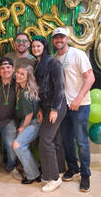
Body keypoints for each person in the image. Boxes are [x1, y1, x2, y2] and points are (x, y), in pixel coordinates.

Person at [52, 27, 95, 192]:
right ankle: (73, 167)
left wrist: (78, 98)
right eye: (56, 38)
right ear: (53, 41)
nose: (59, 40)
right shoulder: (55, 58)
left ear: (67, 38)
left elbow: (90, 77)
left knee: (82, 141)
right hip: (64, 107)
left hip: (80, 104)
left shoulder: (78, 54)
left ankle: (85, 174)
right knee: (66, 140)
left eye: (61, 37)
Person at [31, 35, 67, 192]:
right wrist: (40, 108)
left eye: (38, 46)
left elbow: (59, 87)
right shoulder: (36, 64)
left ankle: (53, 178)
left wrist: (54, 109)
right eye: (33, 47)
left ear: (44, 47)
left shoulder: (53, 62)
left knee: (45, 140)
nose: (35, 49)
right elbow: (39, 89)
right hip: (45, 107)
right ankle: (59, 169)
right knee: (55, 139)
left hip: (56, 107)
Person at [13, 64, 41, 184]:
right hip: (32, 122)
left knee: (17, 145)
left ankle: (31, 175)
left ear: (28, 77)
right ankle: (36, 171)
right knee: (21, 146)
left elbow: (29, 115)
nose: (18, 76)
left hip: (33, 123)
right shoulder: (22, 88)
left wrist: (23, 127)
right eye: (18, 72)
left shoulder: (25, 94)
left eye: (22, 74)